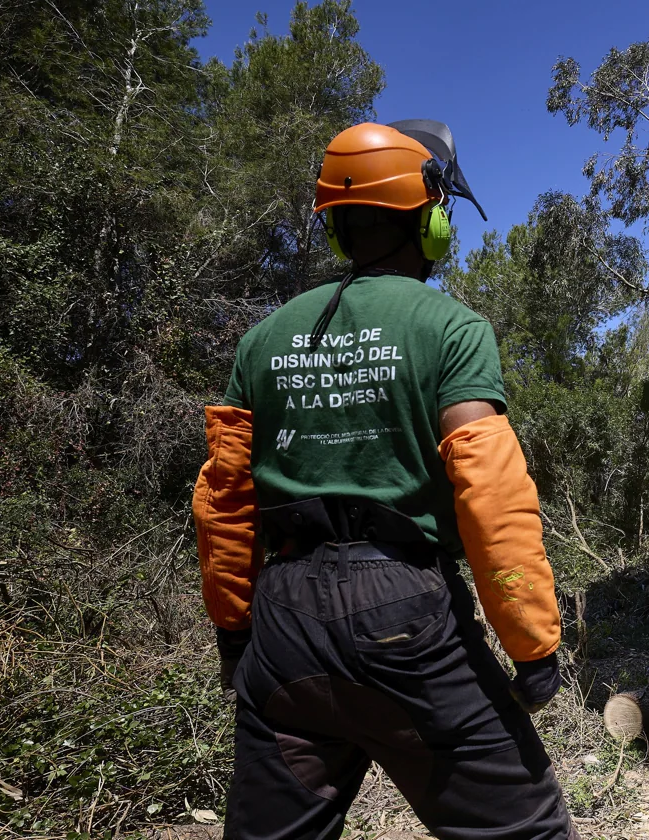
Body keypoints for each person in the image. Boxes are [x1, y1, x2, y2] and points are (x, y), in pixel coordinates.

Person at [192, 121, 577, 840]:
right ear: (427, 218)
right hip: (403, 615)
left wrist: (234, 632)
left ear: (336, 226)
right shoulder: (452, 328)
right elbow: (490, 491)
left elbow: (225, 504)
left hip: (284, 620)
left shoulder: (262, 340)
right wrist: (532, 643)